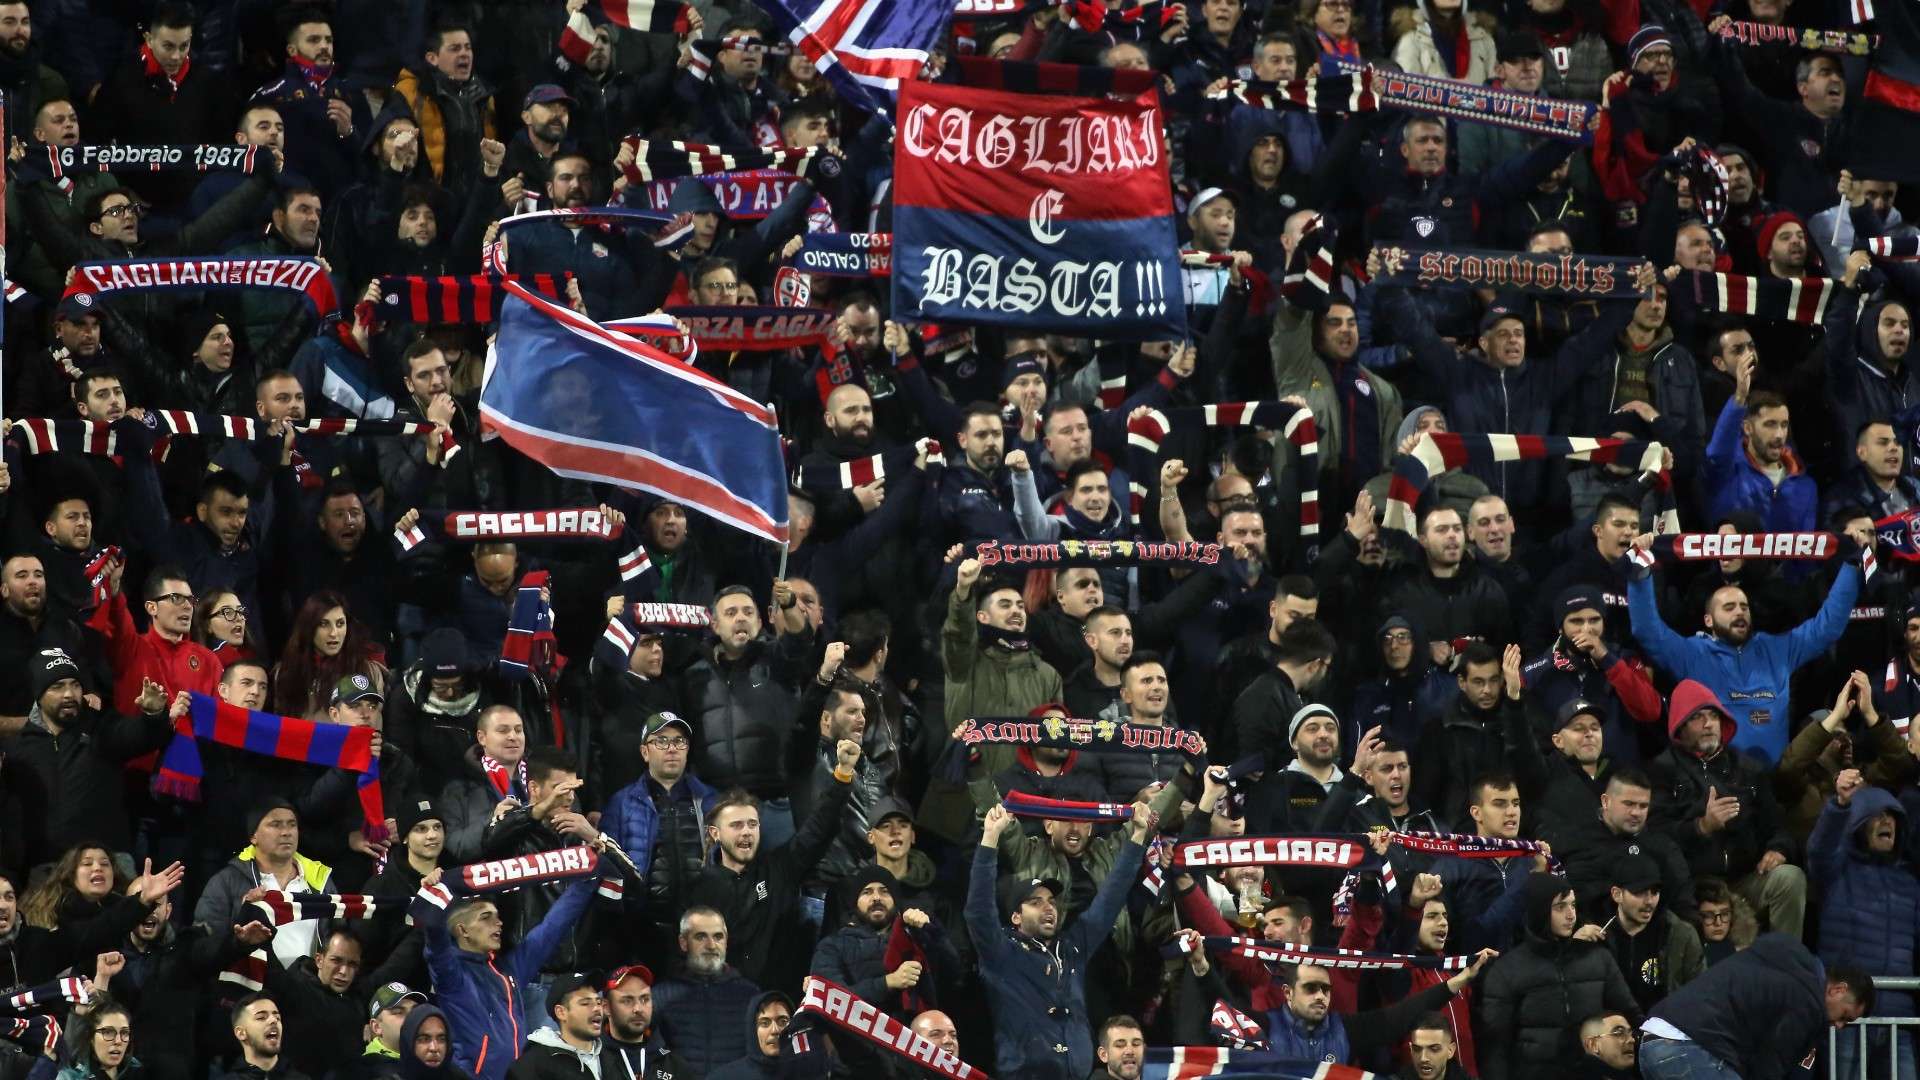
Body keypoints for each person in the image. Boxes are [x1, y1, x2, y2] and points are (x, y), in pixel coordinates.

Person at [1626, 533, 1862, 765]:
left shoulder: (1777, 650)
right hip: (1719, 783)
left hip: (1775, 785)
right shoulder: (1691, 653)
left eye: (1744, 607)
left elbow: (1827, 627)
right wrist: (1641, 572)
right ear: (1708, 620)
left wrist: (1851, 566)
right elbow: (1647, 630)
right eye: (1729, 608)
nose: (1739, 612)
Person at [966, 803, 1149, 1080]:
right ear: (1016, 916)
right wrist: (990, 838)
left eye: (1052, 901)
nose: (1048, 907)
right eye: (1035, 902)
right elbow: (978, 910)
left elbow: (1110, 898)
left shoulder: (1072, 948)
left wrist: (1138, 837)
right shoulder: (1001, 951)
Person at [1647, 680, 1807, 938]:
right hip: (1691, 890)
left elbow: (1777, 827)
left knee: (1789, 878)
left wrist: (1778, 849)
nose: (1709, 724)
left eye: (1713, 716)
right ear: (1680, 726)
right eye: (1697, 717)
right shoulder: (1661, 771)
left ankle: (1783, 964)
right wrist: (1701, 827)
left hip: (1744, 882)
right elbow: (1655, 836)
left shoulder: (1748, 769)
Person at [1808, 768, 1920, 1079]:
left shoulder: (1909, 883)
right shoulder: (1836, 871)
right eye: (1877, 816)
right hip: (1848, 1017)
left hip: (1899, 1017)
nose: (1887, 822)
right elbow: (1820, 849)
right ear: (1858, 825)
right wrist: (1840, 805)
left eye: (1892, 816)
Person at [1638, 934, 1871, 1080]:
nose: (1839, 1026)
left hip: (1654, 1042)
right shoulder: (1808, 1000)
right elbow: (1770, 1065)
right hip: (1691, 1046)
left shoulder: (1783, 962)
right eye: (1845, 1017)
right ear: (1838, 990)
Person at [1476, 873, 1639, 1080]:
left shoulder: (1597, 957)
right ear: (1539, 911)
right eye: (1560, 907)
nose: (1571, 915)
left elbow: (1630, 1013)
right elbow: (1495, 1046)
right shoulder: (1506, 971)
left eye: (1572, 905)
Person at [651, 908, 761, 1078]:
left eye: (718, 937)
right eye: (701, 937)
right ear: (683, 942)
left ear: (726, 941)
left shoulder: (750, 995)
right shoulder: (660, 996)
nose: (711, 945)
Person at [1599, 853, 1704, 1013]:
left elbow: (1699, 995)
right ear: (1617, 894)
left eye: (1654, 892)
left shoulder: (1681, 935)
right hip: (1613, 1033)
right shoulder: (1598, 936)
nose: (1649, 901)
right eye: (1639, 892)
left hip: (1666, 1031)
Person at [506, 972, 604, 1080]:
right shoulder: (531, 1067)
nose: (597, 1008)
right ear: (561, 1012)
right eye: (585, 1003)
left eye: (598, 1002)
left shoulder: (614, 1056)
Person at [601, 965, 678, 1080]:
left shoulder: (673, 1065)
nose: (638, 1008)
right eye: (627, 1001)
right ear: (606, 1007)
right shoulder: (591, 1061)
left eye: (644, 999)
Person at [705, 992, 790, 1080]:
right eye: (765, 1023)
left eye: (783, 1022)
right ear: (753, 1028)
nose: (775, 1030)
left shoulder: (803, 1073)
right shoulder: (722, 1077)